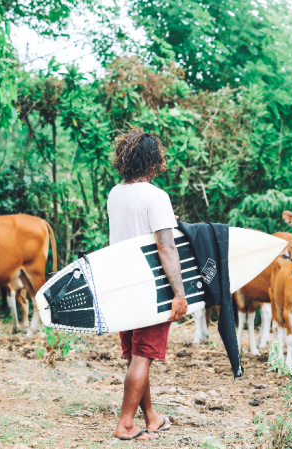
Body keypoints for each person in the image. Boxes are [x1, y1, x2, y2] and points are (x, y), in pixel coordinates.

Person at [108, 129, 188, 441]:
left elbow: (135, 230)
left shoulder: (116, 193)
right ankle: (126, 424)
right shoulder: (157, 197)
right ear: (154, 162)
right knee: (142, 355)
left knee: (135, 355)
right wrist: (179, 294)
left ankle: (150, 417)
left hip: (122, 284)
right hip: (150, 287)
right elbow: (166, 248)